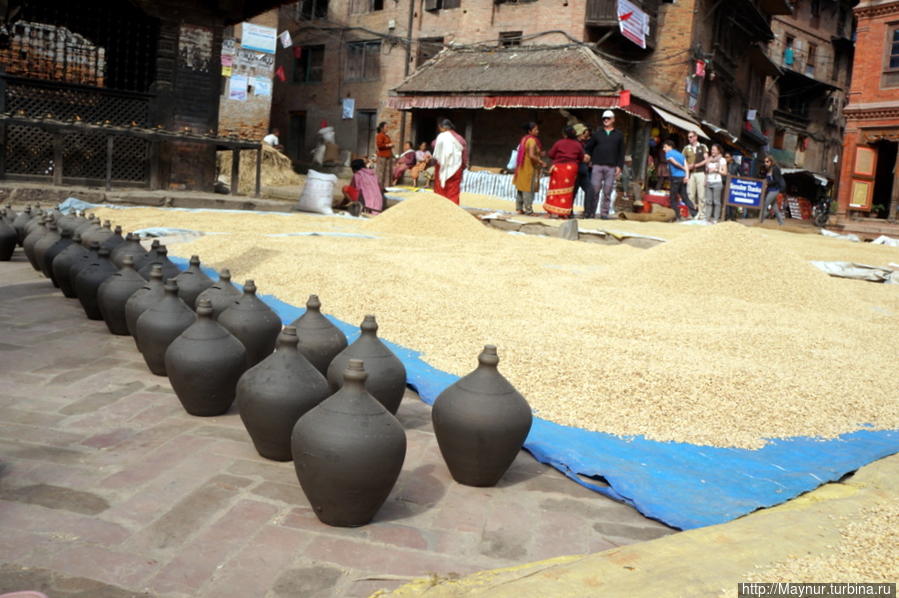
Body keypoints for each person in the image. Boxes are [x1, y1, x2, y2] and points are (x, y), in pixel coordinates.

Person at [583, 109, 624, 219]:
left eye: (608, 118)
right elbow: (588, 147)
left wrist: (619, 166)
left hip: (611, 166)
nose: (606, 120)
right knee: (595, 190)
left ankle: (604, 213)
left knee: (607, 190)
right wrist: (587, 155)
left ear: (613, 119)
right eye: (604, 118)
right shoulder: (597, 134)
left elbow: (621, 152)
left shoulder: (619, 135)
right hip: (597, 165)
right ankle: (591, 212)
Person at [544, 125, 585, 219]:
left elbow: (551, 154)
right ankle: (563, 213)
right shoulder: (578, 144)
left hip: (559, 168)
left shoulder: (559, 143)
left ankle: (550, 211)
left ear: (565, 134)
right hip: (571, 169)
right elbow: (581, 157)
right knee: (567, 191)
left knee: (554, 188)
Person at [431, 118, 468, 204]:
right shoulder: (460, 138)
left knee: (440, 188)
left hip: (441, 166)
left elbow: (434, 146)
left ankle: (440, 207)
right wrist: (463, 166)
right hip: (456, 166)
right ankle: (452, 209)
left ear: (443, 128)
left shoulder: (441, 137)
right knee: (453, 190)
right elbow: (464, 154)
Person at [512, 122, 544, 215]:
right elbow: (531, 155)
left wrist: (539, 154)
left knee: (520, 188)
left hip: (521, 167)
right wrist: (541, 161)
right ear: (530, 131)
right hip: (529, 168)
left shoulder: (524, 139)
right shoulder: (532, 141)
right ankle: (529, 210)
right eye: (536, 129)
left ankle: (519, 208)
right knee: (528, 189)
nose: (538, 131)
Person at [662, 139, 695, 221]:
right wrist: (687, 176)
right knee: (685, 197)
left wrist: (682, 168)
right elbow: (686, 165)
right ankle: (695, 213)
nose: (664, 149)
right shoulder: (680, 154)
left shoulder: (668, 153)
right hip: (683, 177)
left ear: (670, 146)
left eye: (665, 147)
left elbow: (675, 163)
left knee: (672, 198)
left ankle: (677, 216)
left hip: (675, 178)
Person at [682, 131, 710, 220]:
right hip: (691, 173)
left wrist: (696, 165)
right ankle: (692, 213)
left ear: (695, 137)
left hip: (700, 172)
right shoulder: (686, 148)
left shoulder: (702, 146)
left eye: (691, 137)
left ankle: (702, 215)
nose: (689, 139)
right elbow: (683, 160)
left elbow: (707, 159)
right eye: (688, 137)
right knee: (690, 194)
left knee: (701, 195)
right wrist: (687, 167)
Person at [573, 123, 595, 219]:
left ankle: (587, 212)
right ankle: (569, 211)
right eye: (583, 133)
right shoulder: (574, 143)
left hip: (583, 171)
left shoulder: (583, 143)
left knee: (590, 190)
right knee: (573, 191)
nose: (585, 135)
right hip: (576, 170)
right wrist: (584, 157)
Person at [704, 144, 727, 224]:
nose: (712, 151)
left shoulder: (722, 160)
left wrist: (716, 170)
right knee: (708, 201)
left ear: (718, 151)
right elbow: (706, 171)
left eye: (714, 149)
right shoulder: (709, 159)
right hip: (709, 181)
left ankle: (716, 218)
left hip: (717, 182)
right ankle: (707, 218)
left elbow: (725, 172)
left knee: (716, 201)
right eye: (711, 149)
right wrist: (705, 180)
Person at [760, 155, 785, 226]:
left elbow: (777, 180)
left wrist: (768, 183)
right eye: (765, 161)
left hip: (775, 190)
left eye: (767, 161)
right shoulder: (767, 169)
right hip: (770, 190)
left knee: (765, 204)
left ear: (771, 162)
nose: (765, 163)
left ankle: (760, 222)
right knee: (775, 208)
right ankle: (782, 224)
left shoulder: (775, 169)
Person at [375, 122, 394, 188]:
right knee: (381, 172)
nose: (387, 128)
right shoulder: (379, 135)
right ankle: (379, 186)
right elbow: (379, 145)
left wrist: (391, 146)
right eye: (386, 127)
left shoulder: (387, 136)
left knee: (387, 172)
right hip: (382, 156)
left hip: (388, 155)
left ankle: (386, 186)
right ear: (382, 128)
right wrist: (388, 145)